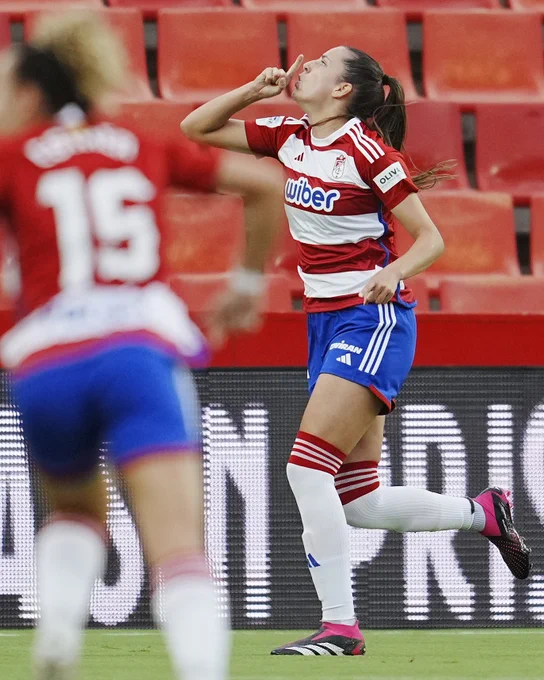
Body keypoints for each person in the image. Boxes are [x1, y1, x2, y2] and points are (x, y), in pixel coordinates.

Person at [181, 46, 532, 656]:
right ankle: (482, 514)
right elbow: (197, 128)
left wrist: (393, 271)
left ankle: (340, 626)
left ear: (343, 91)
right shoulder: (289, 133)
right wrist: (251, 90)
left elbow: (431, 239)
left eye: (321, 63)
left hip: (371, 319)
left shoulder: (369, 152)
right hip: (325, 322)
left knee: (304, 468)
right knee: (359, 501)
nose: (305, 66)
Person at [0, 11, 285, 680]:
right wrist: (245, 284)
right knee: (179, 547)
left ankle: (59, 638)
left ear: (34, 92)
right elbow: (264, 185)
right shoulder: (138, 142)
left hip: (45, 363)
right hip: (136, 353)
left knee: (73, 513)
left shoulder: (13, 156)